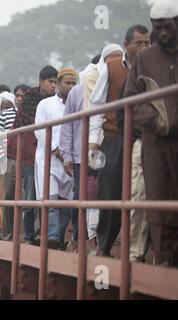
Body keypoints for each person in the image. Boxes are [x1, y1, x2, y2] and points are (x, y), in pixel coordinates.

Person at [124, 0, 178, 266]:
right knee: (158, 197)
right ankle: (165, 257)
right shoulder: (145, 59)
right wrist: (157, 121)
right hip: (155, 142)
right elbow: (131, 100)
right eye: (158, 28)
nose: (162, 33)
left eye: (167, 27)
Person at [89, 25, 150, 256]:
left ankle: (140, 251)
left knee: (145, 192)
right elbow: (96, 105)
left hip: (146, 139)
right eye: (139, 43)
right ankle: (104, 247)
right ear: (127, 46)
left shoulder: (153, 66)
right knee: (109, 193)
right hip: (113, 138)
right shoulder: (111, 67)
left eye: (147, 43)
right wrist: (93, 142)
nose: (144, 47)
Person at [7, 65, 58, 244]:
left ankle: (48, 237)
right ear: (41, 81)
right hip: (30, 154)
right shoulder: (29, 99)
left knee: (50, 195)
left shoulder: (57, 101)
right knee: (30, 197)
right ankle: (29, 237)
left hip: (52, 154)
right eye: (50, 82)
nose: (54, 86)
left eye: (56, 82)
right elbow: (20, 126)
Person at [60, 55, 101, 253]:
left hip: (105, 152)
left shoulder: (112, 87)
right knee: (80, 197)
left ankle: (98, 241)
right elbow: (67, 126)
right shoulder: (77, 92)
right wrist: (67, 155)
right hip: (80, 155)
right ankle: (78, 238)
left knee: (103, 197)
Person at [34, 68, 77, 249]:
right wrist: (56, 150)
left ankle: (57, 238)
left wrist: (68, 154)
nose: (71, 86)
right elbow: (40, 130)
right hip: (48, 160)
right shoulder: (46, 104)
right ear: (58, 84)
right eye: (68, 83)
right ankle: (51, 237)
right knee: (51, 200)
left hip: (69, 161)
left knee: (66, 205)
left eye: (74, 83)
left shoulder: (78, 104)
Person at [0, 91, 19, 241]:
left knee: (24, 195)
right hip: (7, 158)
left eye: (7, 102)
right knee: (8, 194)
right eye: (2, 103)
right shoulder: (2, 115)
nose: (5, 105)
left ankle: (23, 233)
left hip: (26, 158)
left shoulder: (24, 114)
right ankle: (8, 233)